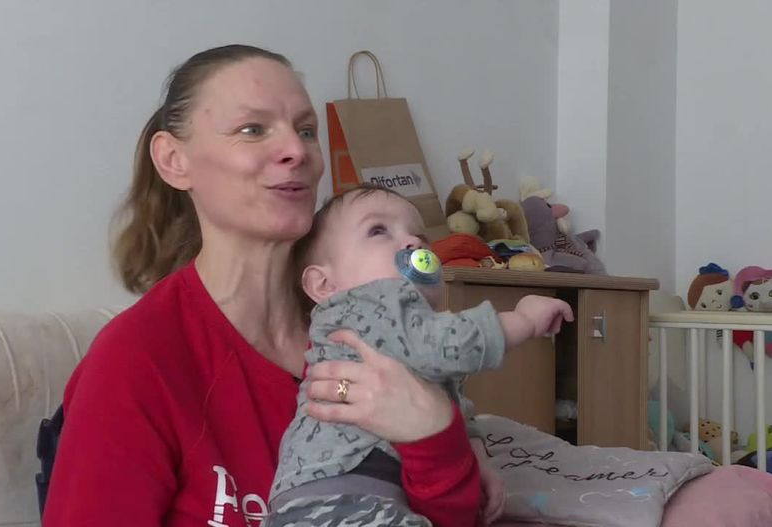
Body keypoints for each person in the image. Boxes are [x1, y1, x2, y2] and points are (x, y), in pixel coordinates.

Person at [42, 44, 486, 527]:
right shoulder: (136, 360)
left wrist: (435, 435)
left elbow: (458, 515)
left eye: (306, 130)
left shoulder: (370, 332)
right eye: (252, 129)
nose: (297, 150)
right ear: (174, 160)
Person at [264, 186, 574, 526]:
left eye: (421, 237)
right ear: (324, 285)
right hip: (338, 492)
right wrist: (524, 320)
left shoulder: (410, 336)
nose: (413, 242)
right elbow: (450, 344)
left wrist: (478, 460)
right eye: (378, 230)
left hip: (348, 496)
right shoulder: (358, 308)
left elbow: (452, 399)